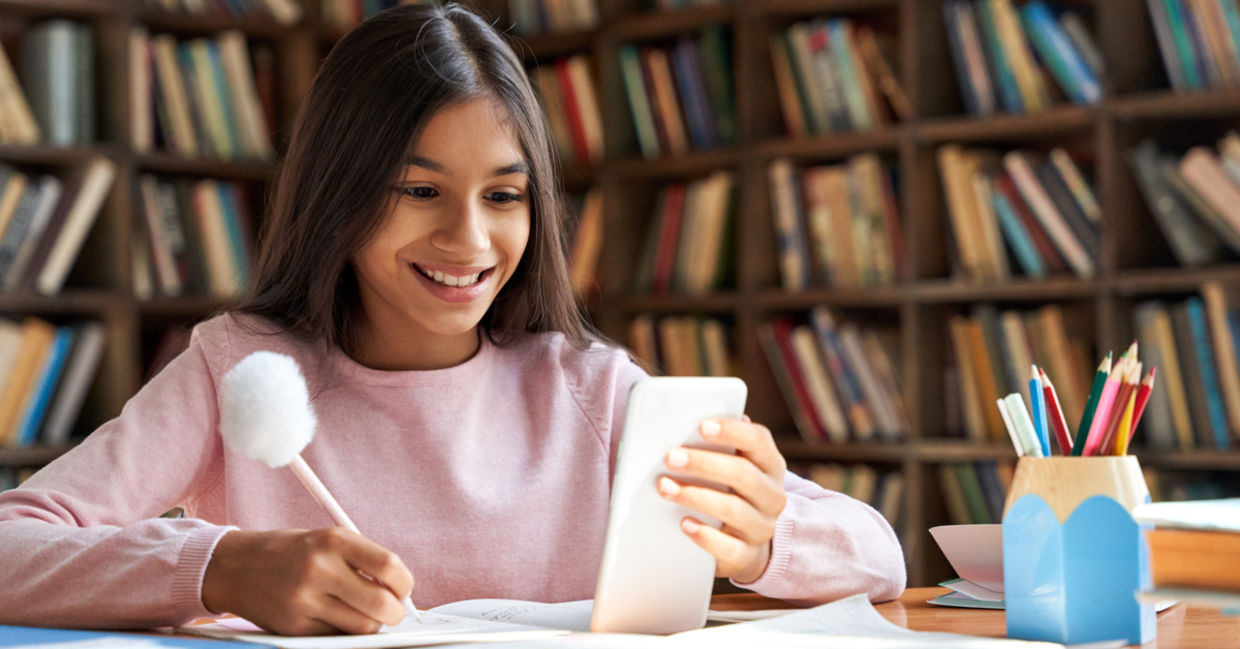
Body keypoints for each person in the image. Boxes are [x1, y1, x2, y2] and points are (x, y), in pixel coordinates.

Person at [0, 3, 905, 635]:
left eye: (503, 195)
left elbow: (879, 557)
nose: (468, 239)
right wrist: (218, 566)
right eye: (419, 190)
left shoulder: (587, 388)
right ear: (339, 193)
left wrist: (764, 539)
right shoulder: (238, 367)